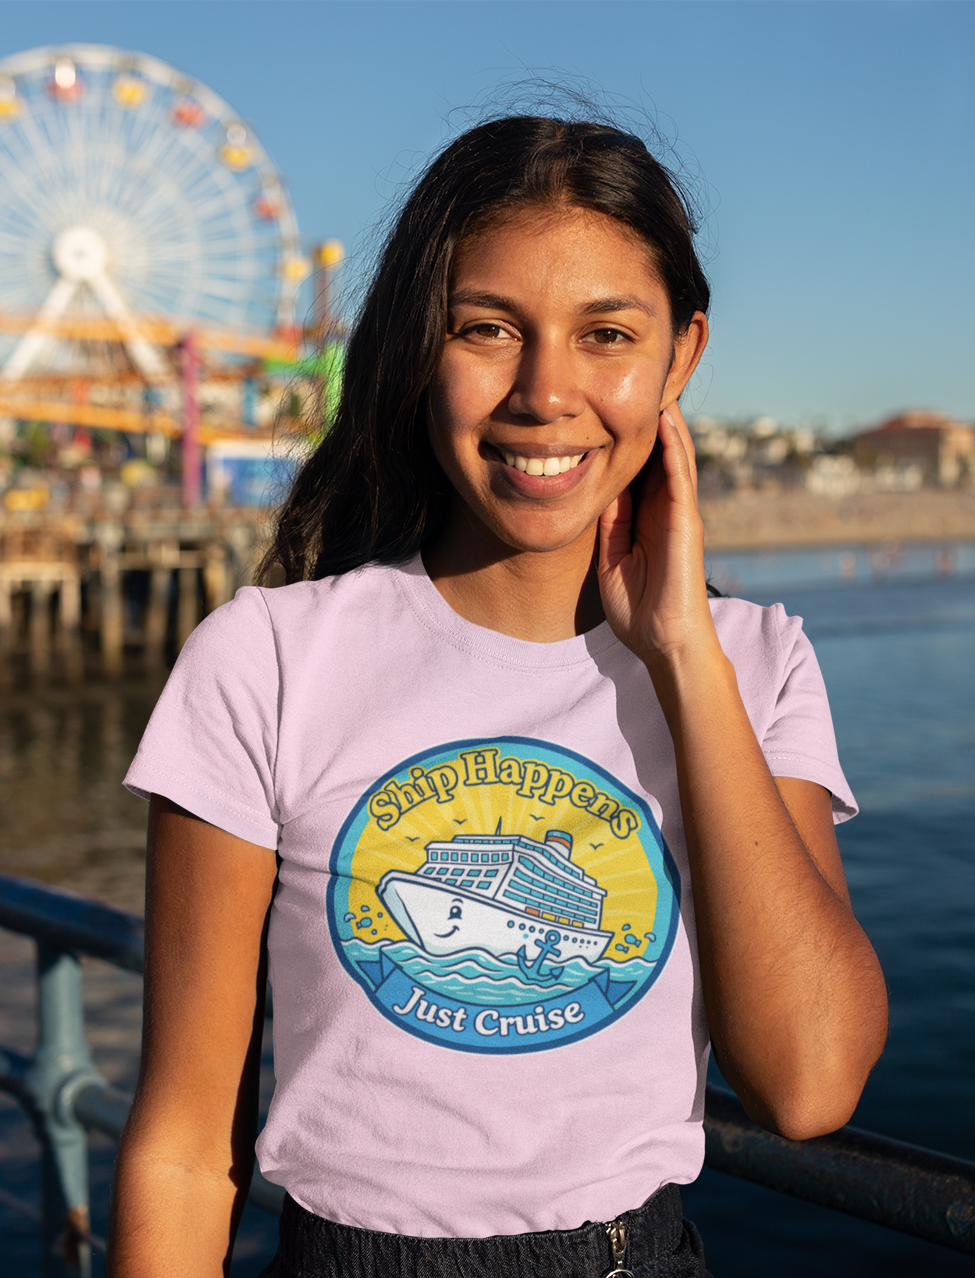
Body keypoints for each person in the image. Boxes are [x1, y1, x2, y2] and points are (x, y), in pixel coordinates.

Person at [109, 116, 888, 1278]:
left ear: (681, 357)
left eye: (607, 334)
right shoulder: (266, 659)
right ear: (421, 345)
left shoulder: (752, 664)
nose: (545, 392)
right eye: (488, 329)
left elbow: (809, 1081)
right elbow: (182, 1144)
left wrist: (681, 654)